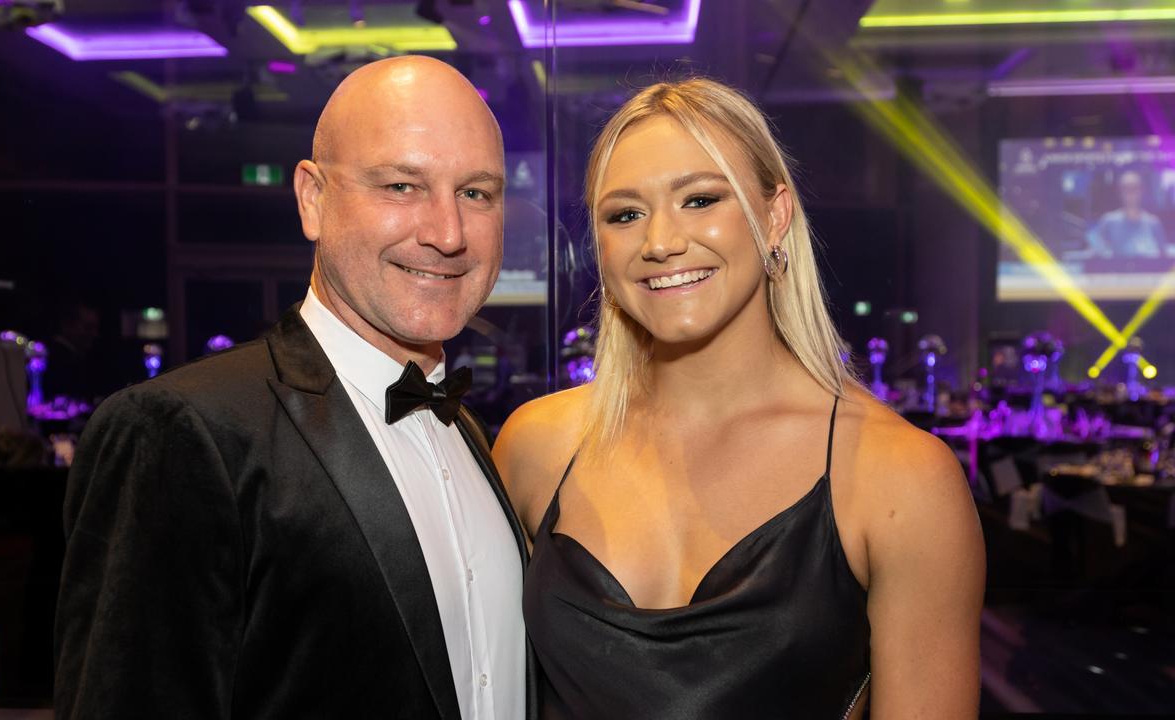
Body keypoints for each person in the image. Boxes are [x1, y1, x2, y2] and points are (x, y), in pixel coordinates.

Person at [55, 56, 532, 720]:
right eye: (401, 186)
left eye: (476, 193)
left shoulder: (472, 434)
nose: (447, 233)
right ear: (312, 198)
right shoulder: (182, 433)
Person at [495, 78, 985, 718]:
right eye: (624, 214)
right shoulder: (538, 444)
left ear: (775, 214)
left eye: (699, 200)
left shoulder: (900, 479)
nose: (661, 242)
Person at [1085, 170, 1171, 259]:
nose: (1130, 192)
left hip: (1147, 271)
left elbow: (1164, 256)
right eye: (1126, 188)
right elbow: (1095, 252)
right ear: (1120, 192)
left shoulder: (1153, 223)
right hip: (1118, 271)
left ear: (1141, 191)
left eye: (1134, 188)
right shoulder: (1108, 221)